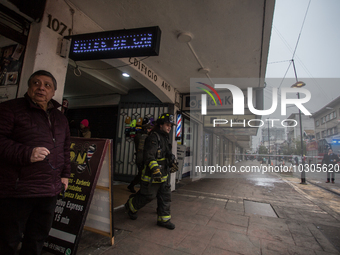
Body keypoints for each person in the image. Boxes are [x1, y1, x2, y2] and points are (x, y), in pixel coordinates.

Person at [0, 70, 71, 255]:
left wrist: (65, 175)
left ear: (53, 91)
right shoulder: (9, 109)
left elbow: (65, 148)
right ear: (30, 87)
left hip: (49, 189)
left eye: (47, 85)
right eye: (36, 83)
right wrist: (27, 153)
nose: (41, 88)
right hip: (18, 190)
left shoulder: (61, 118)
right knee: (8, 239)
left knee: (38, 237)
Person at [125, 113, 177, 230]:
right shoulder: (153, 137)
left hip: (163, 174)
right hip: (152, 175)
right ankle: (130, 206)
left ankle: (163, 220)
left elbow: (163, 154)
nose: (169, 127)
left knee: (165, 196)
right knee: (148, 196)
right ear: (160, 125)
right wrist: (155, 169)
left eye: (170, 125)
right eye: (167, 125)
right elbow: (149, 156)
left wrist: (171, 159)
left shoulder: (165, 137)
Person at [127, 118, 153, 193]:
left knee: (141, 174)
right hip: (141, 158)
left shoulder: (144, 135)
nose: (150, 129)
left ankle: (132, 185)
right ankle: (140, 189)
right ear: (145, 128)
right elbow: (141, 149)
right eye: (148, 128)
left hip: (143, 158)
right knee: (142, 174)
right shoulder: (141, 136)